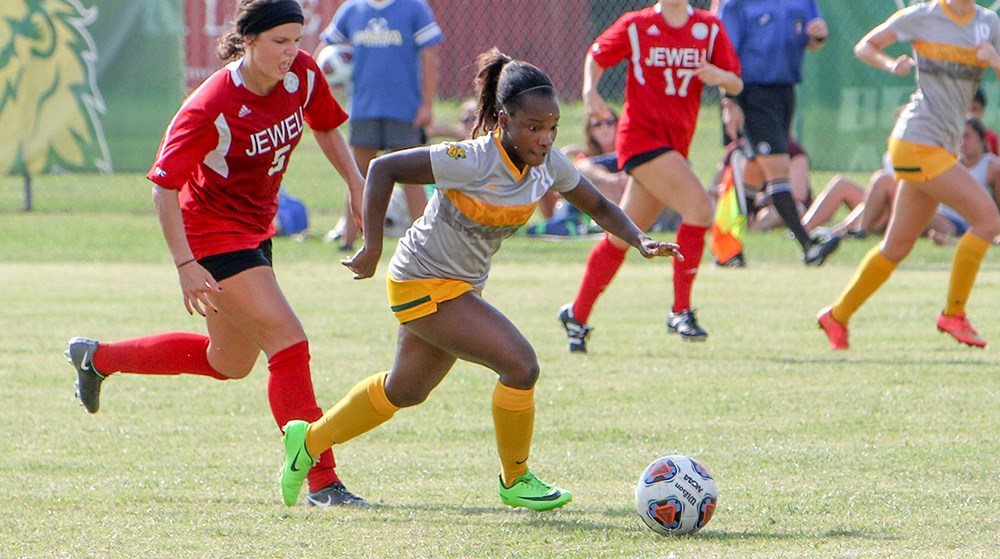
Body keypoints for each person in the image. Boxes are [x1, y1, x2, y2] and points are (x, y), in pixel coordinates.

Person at [277, 48, 682, 510]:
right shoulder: (470, 158)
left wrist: (639, 238)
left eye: (552, 127)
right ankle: (516, 479)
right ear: (505, 120)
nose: (545, 138)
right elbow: (384, 168)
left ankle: (307, 443)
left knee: (405, 390)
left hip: (460, 287)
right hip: (422, 280)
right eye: (533, 127)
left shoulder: (549, 164)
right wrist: (371, 246)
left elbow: (601, 207)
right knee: (520, 364)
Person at [65, 0, 368, 507]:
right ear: (248, 41)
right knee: (288, 342)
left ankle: (97, 358)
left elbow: (325, 126)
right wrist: (186, 265)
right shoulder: (212, 104)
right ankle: (323, 482)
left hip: (253, 230)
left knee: (228, 362)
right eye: (279, 41)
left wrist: (356, 186)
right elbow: (163, 187)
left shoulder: (303, 75)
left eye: (296, 39)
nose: (291, 52)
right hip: (209, 236)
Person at [558, 0, 743, 351]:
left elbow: (735, 82)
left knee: (622, 236)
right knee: (701, 209)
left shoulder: (708, 28)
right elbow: (596, 54)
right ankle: (680, 310)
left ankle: (576, 315)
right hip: (641, 139)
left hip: (675, 144)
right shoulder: (638, 24)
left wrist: (720, 78)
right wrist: (589, 90)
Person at [817, 0, 1000, 351]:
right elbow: (865, 46)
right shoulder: (923, 15)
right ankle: (954, 313)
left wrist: (994, 60)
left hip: (941, 147)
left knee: (897, 246)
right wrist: (890, 64)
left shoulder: (988, 22)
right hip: (916, 142)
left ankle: (837, 316)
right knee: (989, 220)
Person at [716, 0, 839, 266]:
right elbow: (725, 54)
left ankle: (725, 251)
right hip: (750, 93)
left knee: (754, 172)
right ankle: (808, 246)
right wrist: (729, 102)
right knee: (778, 167)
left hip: (785, 92)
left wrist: (818, 35)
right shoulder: (736, 4)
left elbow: (813, 39)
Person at [318, 0, 444, 252]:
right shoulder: (353, 9)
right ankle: (348, 239)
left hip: (404, 109)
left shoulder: (413, 8)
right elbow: (324, 50)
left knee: (411, 177)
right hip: (364, 108)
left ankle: (425, 242)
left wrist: (427, 104)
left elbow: (430, 56)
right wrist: (322, 79)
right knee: (358, 175)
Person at [524, 109, 628, 238]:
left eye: (609, 122)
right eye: (598, 124)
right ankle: (558, 225)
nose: (604, 128)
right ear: (591, 131)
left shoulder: (625, 154)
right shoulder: (585, 158)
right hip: (582, 209)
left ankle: (561, 227)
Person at [968, 87, 999, 155]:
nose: (970, 114)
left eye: (975, 109)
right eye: (966, 109)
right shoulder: (954, 138)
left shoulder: (991, 138)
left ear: (982, 112)